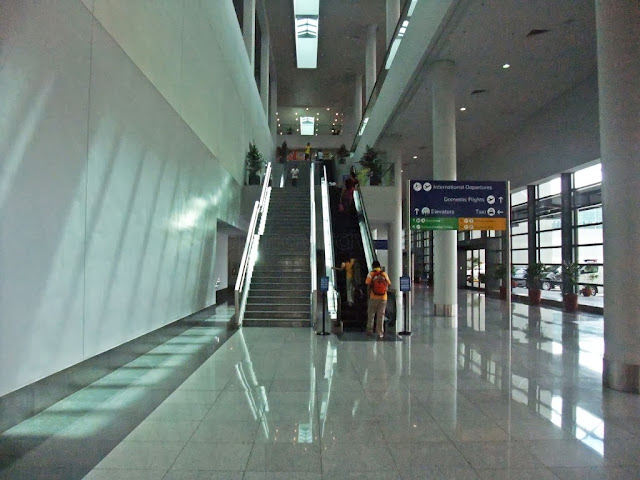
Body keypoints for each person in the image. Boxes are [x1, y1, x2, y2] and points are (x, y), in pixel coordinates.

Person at [365, 260, 391, 338]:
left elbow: (367, 285)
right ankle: (380, 333)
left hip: (373, 297)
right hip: (383, 298)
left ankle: (370, 330)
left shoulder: (371, 274)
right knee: (381, 315)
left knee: (371, 314)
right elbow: (389, 284)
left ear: (373, 266)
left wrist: (368, 295)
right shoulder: (384, 274)